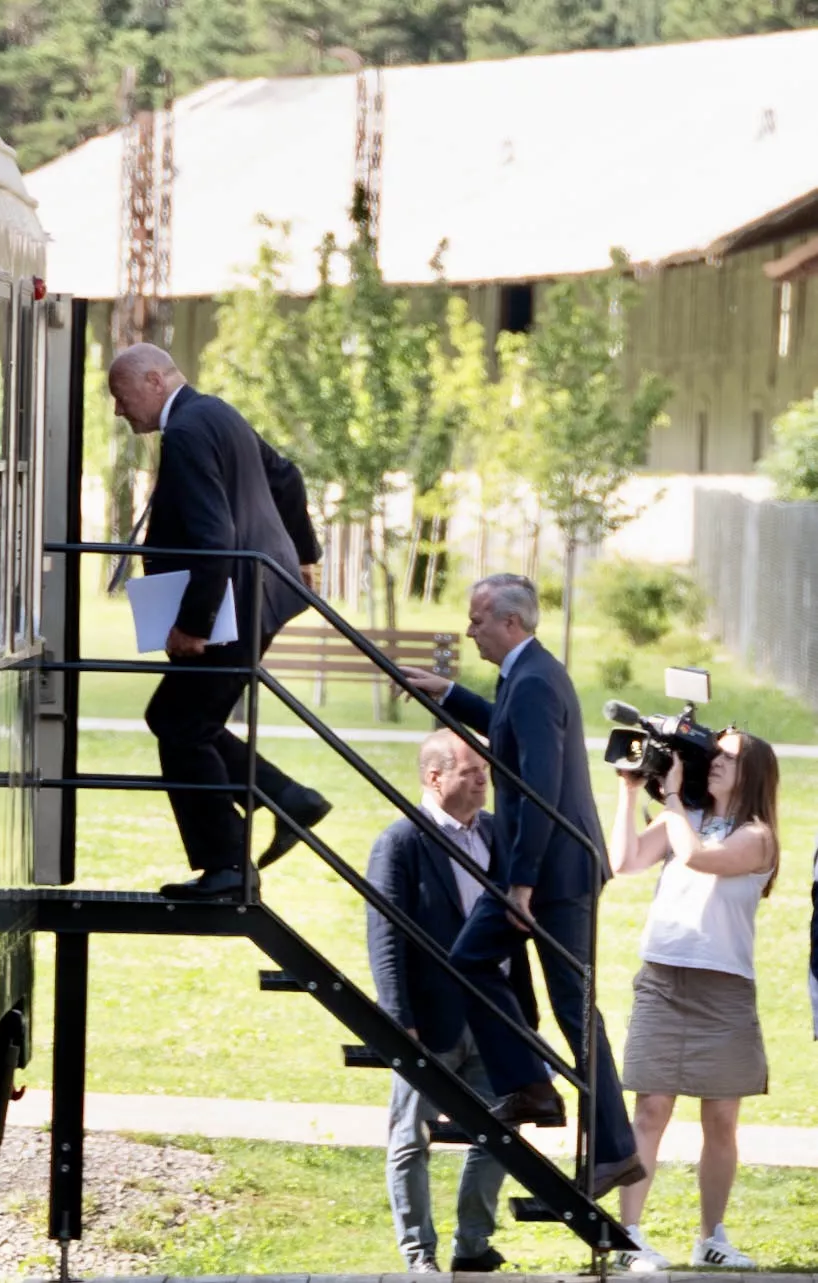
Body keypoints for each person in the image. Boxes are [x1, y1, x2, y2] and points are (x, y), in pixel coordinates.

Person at [399, 574, 645, 1198]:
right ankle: (532, 1086)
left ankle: (612, 1150)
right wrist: (450, 693)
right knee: (472, 961)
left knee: (572, 1009)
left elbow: (535, 791)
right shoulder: (527, 673)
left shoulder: (533, 680)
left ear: (510, 623)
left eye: (477, 618)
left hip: (552, 875)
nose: (469, 628)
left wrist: (522, 886)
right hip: (538, 869)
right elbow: (507, 739)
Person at [106, 344, 328, 900]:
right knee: (181, 719)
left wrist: (194, 625)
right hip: (257, 595)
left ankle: (230, 866)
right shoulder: (217, 412)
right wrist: (302, 558)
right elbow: (286, 476)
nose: (118, 410)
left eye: (120, 395)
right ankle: (283, 798)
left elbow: (215, 538)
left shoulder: (186, 430)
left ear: (154, 380)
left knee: (181, 725)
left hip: (234, 603)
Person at [605, 730, 780, 1271]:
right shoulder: (685, 817)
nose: (716, 762)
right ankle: (628, 1234)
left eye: (728, 756)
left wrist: (675, 798)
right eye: (716, 753)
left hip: (724, 988)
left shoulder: (758, 836)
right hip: (664, 977)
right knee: (651, 1109)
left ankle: (711, 1237)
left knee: (721, 1120)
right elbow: (626, 861)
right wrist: (632, 792)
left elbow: (699, 859)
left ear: (752, 771)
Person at [368, 731, 537, 1273]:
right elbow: (386, 936)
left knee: (501, 1133)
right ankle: (419, 1254)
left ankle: (472, 1245)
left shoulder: (496, 833)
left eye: (485, 771)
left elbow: (518, 925)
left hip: (495, 1016)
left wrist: (526, 1014)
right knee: (410, 1138)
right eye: (471, 772)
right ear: (434, 778)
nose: (484, 780)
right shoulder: (401, 842)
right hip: (431, 1021)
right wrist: (400, 1021)